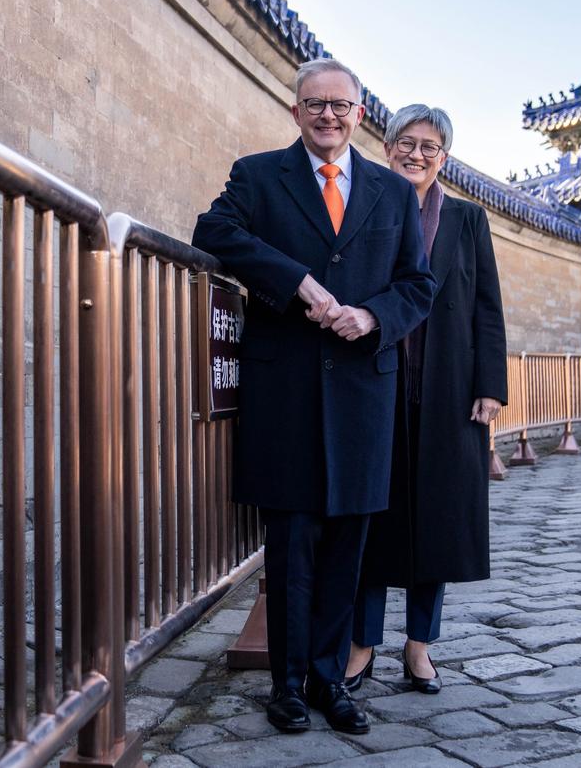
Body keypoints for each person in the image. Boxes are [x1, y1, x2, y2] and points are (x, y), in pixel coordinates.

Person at [192, 61, 434, 734]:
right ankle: (287, 686)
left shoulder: (391, 190)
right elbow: (212, 232)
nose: (328, 115)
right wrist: (296, 280)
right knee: (291, 545)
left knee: (347, 551)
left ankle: (331, 681)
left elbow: (418, 285)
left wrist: (373, 317)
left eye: (341, 105)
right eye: (314, 103)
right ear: (295, 110)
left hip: (363, 395)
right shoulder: (259, 175)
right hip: (287, 392)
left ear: (361, 115)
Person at [345, 104, 507, 694]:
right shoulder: (366, 206)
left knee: (436, 525)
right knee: (370, 518)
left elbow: (487, 304)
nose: (417, 154)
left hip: (448, 394)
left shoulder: (467, 220)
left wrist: (491, 383)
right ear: (386, 148)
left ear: (445, 157)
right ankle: (361, 646)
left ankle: (419, 648)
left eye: (429, 146)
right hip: (376, 385)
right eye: (406, 143)